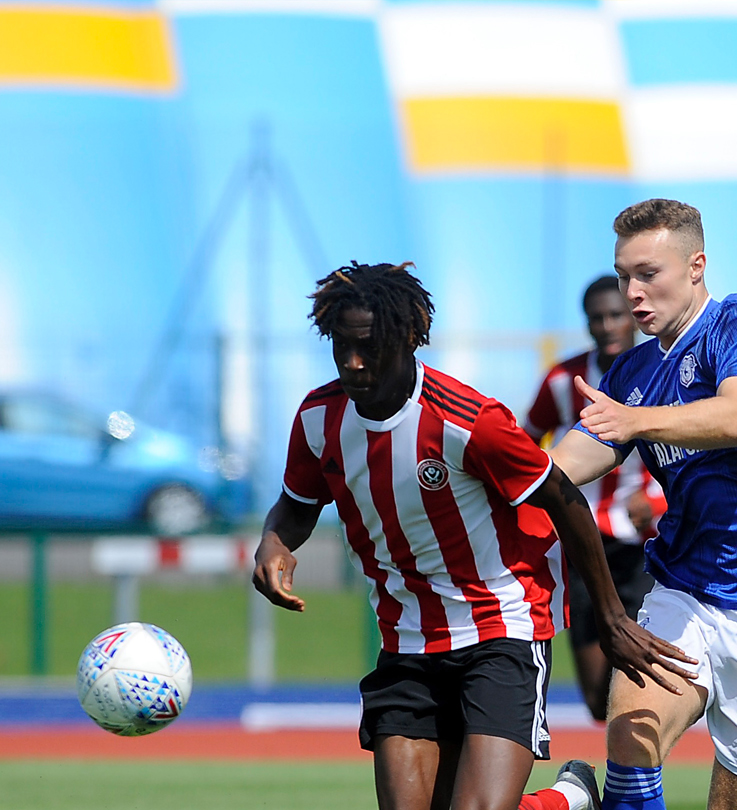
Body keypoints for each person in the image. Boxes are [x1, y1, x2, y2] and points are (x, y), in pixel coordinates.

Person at [250, 261, 697, 810]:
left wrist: (609, 619)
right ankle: (566, 800)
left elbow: (562, 497)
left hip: (501, 627)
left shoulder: (468, 420)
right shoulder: (319, 418)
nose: (352, 361)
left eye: (367, 346)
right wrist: (274, 543)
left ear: (410, 339)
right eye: (340, 346)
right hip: (406, 641)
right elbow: (295, 507)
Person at [547, 200, 737, 810]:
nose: (632, 292)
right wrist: (485, 470)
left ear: (696, 266)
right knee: (630, 746)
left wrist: (635, 422)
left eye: (648, 273)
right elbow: (566, 465)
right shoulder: (632, 372)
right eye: (622, 276)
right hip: (682, 589)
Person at [524, 275, 666, 722]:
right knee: (595, 698)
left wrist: (657, 503)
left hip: (644, 543)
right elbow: (526, 444)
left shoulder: (664, 371)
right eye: (596, 318)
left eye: (615, 315)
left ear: (634, 317)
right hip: (582, 542)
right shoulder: (563, 379)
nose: (607, 326)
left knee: (642, 675)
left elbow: (692, 454)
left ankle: (636, 780)